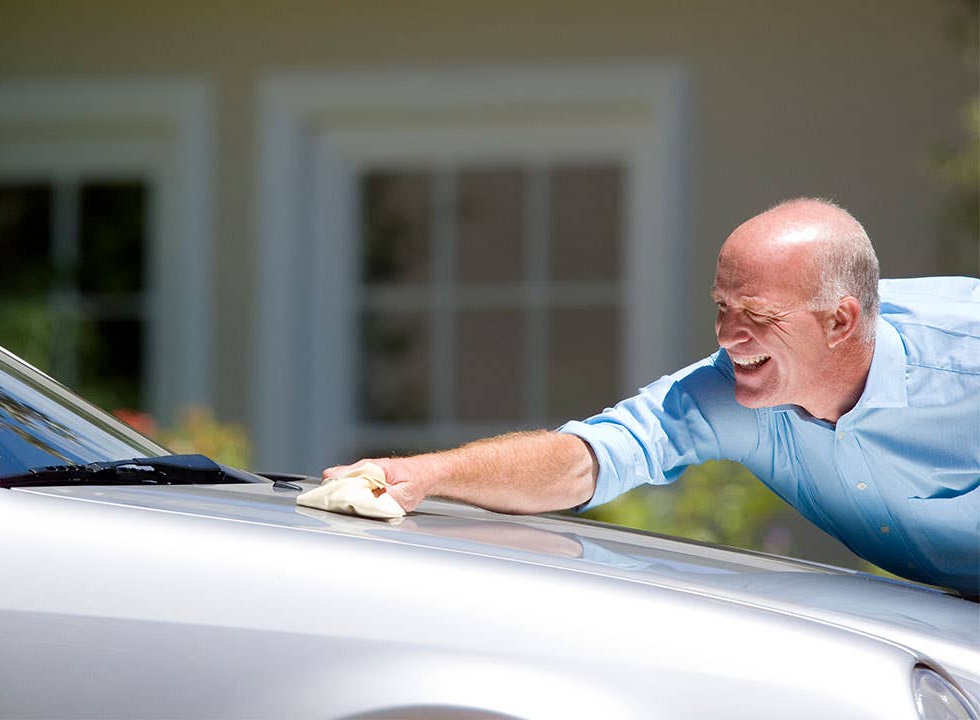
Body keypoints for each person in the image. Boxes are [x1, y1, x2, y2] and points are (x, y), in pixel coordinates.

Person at [324, 198, 980, 596]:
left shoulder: (964, 363)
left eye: (755, 313)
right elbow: (590, 457)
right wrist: (422, 474)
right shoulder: (737, 395)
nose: (728, 336)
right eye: (722, 307)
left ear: (839, 321)